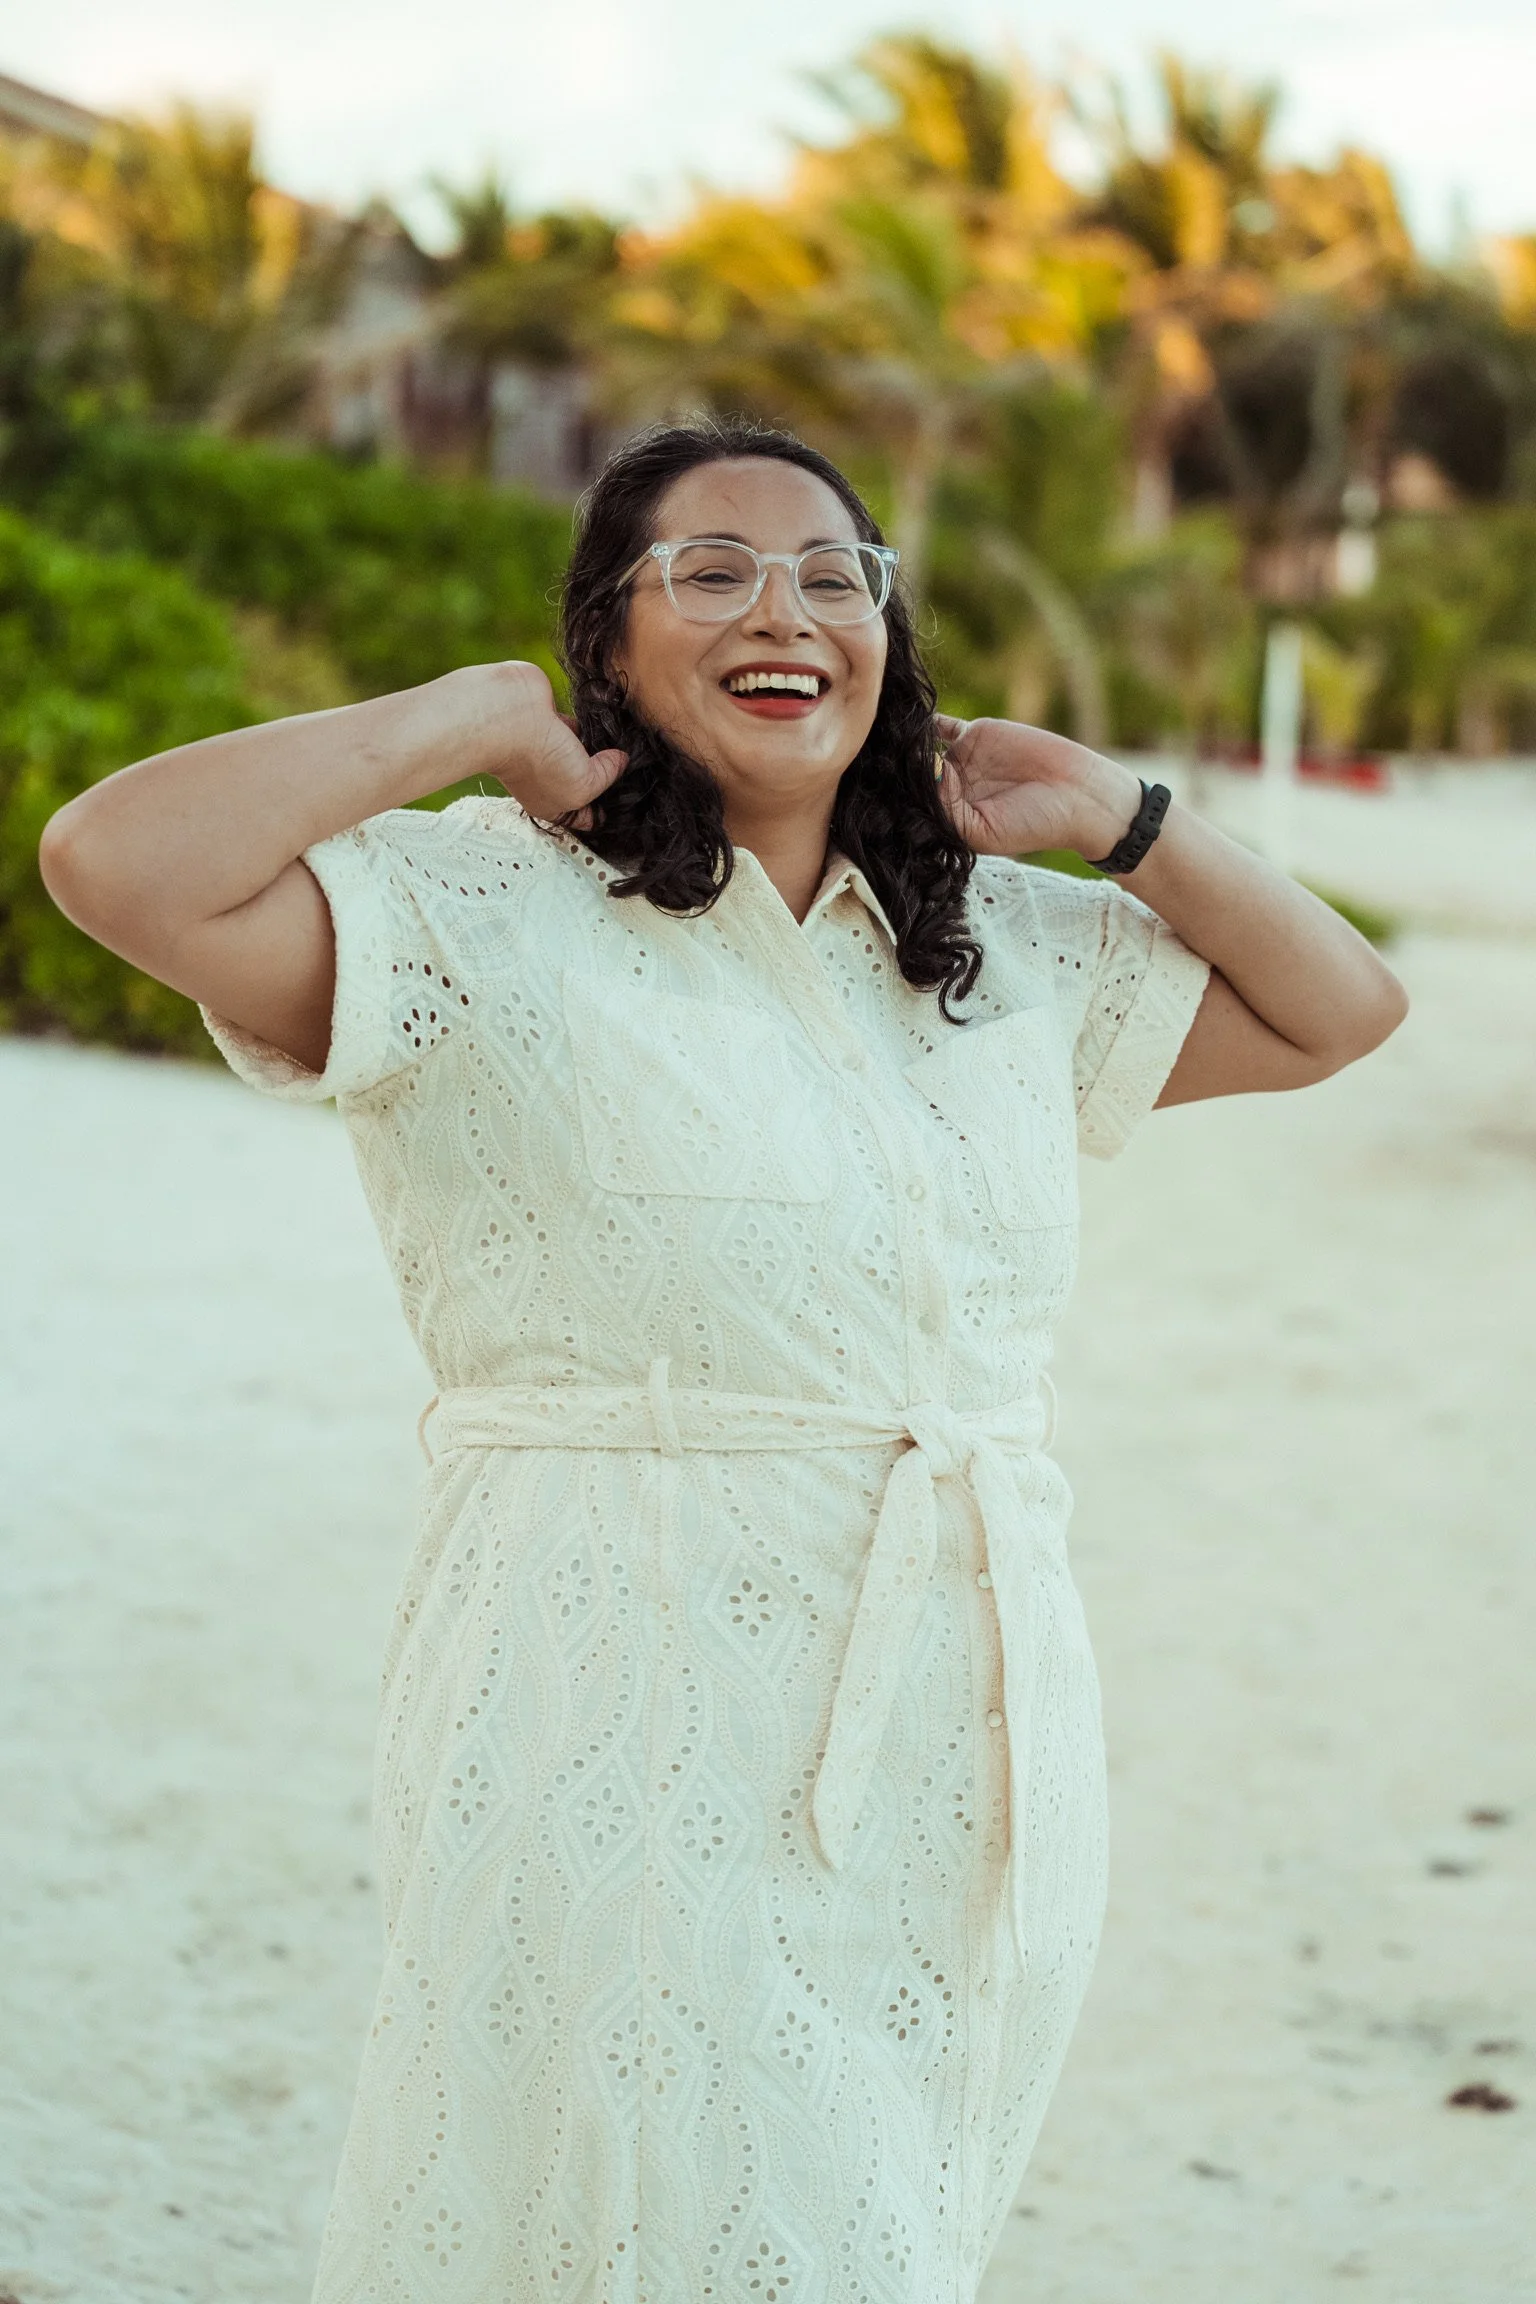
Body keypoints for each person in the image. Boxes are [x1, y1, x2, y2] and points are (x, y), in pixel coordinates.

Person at [39, 417, 1407, 2304]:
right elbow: (115, 860)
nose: (788, 611)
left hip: (967, 1704)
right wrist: (471, 713)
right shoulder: (479, 912)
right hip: (616, 1676)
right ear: (612, 644)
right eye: (714, 571)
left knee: (884, 2217)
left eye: (834, 575)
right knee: (653, 2206)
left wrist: (1119, 812)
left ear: (887, 638)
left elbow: (1342, 1007)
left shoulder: (993, 945)